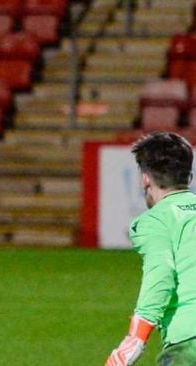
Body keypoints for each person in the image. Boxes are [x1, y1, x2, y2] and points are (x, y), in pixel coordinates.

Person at [105, 131, 196, 366]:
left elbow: (161, 273)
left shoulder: (155, 221)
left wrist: (135, 339)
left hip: (189, 340)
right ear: (189, 176)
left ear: (145, 179)